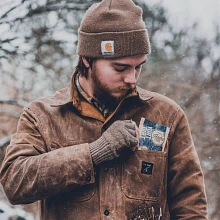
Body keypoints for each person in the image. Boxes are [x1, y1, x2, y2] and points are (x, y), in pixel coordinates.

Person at [0, 0, 208, 219]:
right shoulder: (42, 116)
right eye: (120, 68)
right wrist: (95, 152)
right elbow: (15, 182)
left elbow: (190, 205)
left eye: (138, 67)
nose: (131, 78)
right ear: (87, 60)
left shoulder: (167, 116)